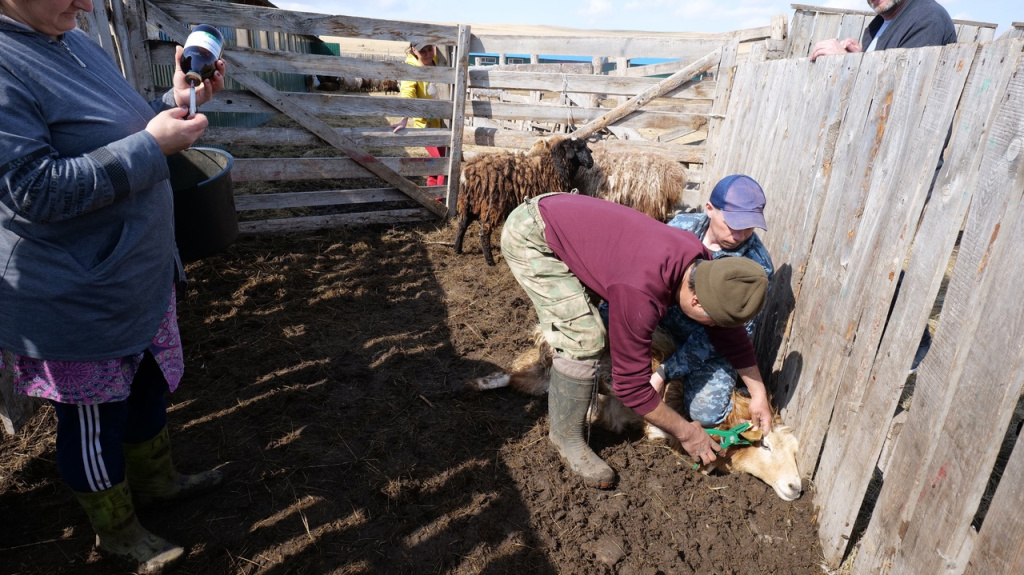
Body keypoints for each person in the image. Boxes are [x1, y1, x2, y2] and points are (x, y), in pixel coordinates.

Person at [0, 1, 227, 572]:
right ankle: (118, 533)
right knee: (93, 419)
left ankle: (157, 483)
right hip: (76, 291)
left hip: (130, 271)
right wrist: (152, 147)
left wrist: (174, 101)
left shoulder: (69, 39)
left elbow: (113, 130)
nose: (86, 3)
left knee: (146, 386)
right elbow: (33, 190)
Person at [500, 192, 770, 489]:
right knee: (584, 337)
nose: (716, 329)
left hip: (568, 218)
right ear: (696, 301)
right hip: (533, 234)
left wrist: (758, 394)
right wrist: (687, 433)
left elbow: (728, 331)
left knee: (590, 321)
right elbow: (631, 388)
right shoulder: (641, 294)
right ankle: (566, 437)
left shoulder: (703, 265)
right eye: (713, 321)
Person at [650, 175, 775, 428]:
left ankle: (735, 397)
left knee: (705, 413)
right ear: (709, 209)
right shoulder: (679, 228)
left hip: (711, 343)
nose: (740, 235)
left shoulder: (755, 268)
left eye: (749, 227)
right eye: (733, 224)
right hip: (664, 321)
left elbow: (728, 335)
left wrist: (665, 372)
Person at [809, 0, 956, 62]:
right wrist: (859, 59)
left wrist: (845, 62)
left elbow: (902, 89)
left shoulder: (926, 18)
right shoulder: (877, 26)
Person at [391, 42, 447, 186]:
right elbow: (408, 93)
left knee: (436, 163)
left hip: (442, 124)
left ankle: (432, 194)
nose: (428, 54)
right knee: (443, 163)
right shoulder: (411, 69)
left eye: (430, 49)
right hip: (425, 125)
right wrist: (404, 119)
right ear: (414, 50)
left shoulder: (438, 61)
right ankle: (441, 197)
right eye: (423, 51)